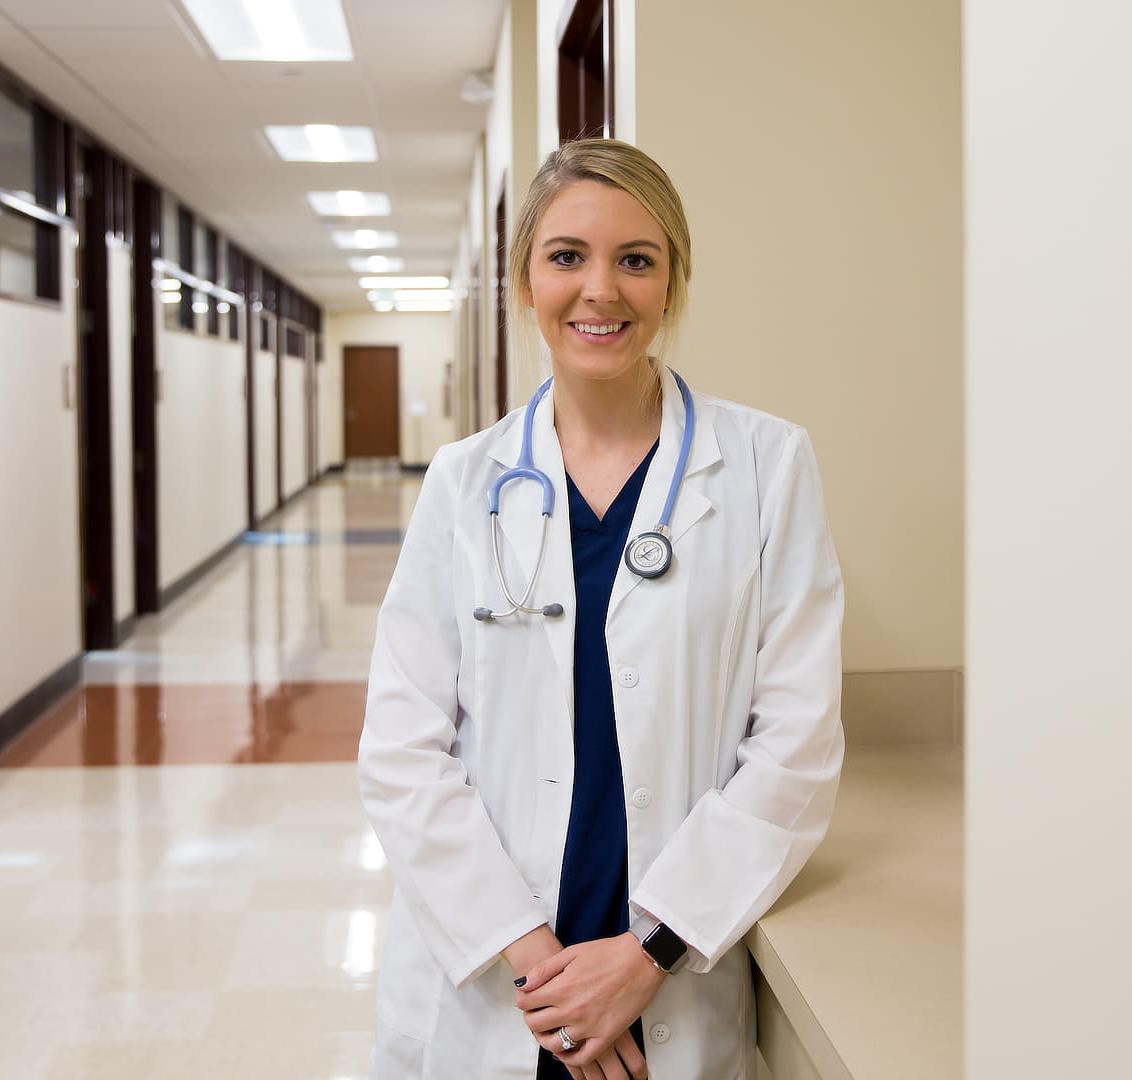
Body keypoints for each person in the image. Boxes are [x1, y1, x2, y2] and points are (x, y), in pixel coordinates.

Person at [358, 138, 844, 1080]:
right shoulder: (465, 483)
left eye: (637, 259)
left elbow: (797, 747)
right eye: (567, 256)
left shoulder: (767, 467)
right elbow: (401, 749)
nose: (601, 290)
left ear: (674, 281)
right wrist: (542, 971)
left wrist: (644, 955)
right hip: (495, 973)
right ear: (525, 281)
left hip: (665, 974)